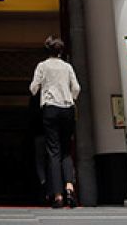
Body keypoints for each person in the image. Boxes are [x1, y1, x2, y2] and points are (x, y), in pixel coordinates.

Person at [29, 36, 80, 208]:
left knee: (53, 151)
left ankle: (58, 196)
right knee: (66, 150)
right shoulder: (67, 67)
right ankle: (70, 187)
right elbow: (77, 88)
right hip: (67, 109)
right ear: (61, 51)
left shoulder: (42, 66)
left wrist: (43, 89)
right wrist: (70, 98)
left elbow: (33, 88)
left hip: (50, 108)